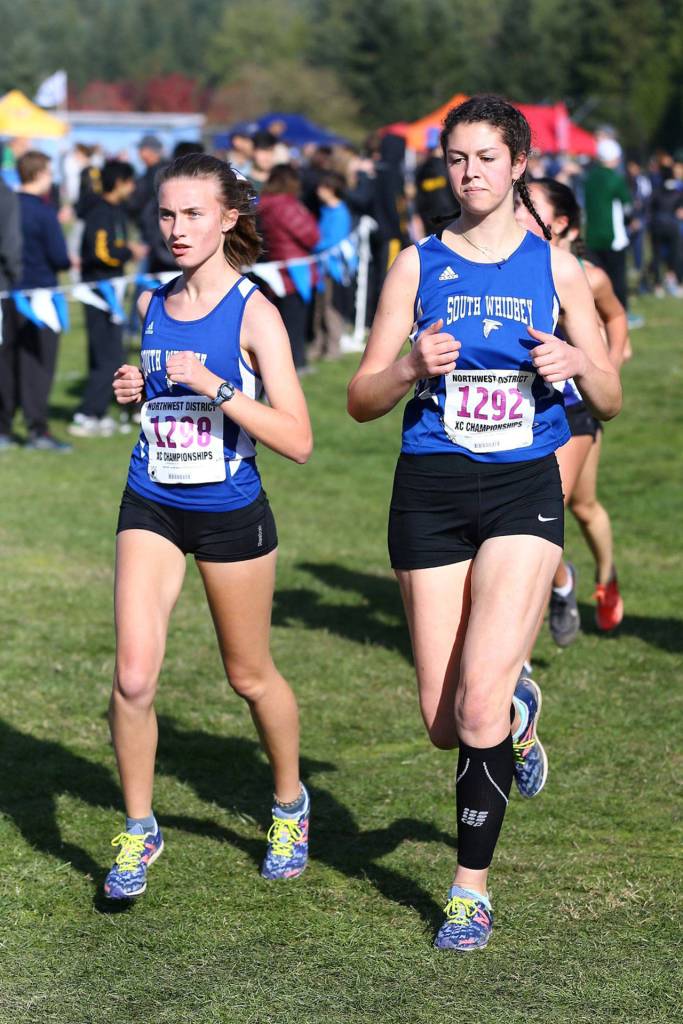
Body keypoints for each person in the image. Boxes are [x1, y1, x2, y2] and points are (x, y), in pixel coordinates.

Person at [347, 96, 621, 952]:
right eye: (456, 159)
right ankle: (519, 705)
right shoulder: (414, 265)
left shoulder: (556, 269)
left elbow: (609, 397)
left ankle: (469, 890)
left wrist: (579, 363)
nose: (468, 173)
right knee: (442, 720)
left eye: (484, 158)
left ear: (518, 165)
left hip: (521, 493)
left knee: (472, 714)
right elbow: (359, 399)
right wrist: (405, 367)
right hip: (428, 492)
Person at [104, 153, 313, 901]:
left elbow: (297, 438)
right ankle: (138, 829)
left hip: (230, 511)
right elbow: (161, 398)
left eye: (192, 213)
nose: (176, 228)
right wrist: (140, 386)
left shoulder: (255, 311)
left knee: (248, 676)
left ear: (228, 217)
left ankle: (290, 804)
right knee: (132, 676)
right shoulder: (154, 301)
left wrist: (216, 385)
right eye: (166, 214)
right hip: (152, 498)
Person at [515, 178, 627, 645]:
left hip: (576, 406)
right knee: (543, 516)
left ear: (559, 222)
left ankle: (603, 578)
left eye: (527, 205)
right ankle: (562, 582)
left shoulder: (587, 273)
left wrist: (609, 362)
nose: (515, 209)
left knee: (558, 513)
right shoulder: (508, 265)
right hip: (522, 406)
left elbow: (616, 315)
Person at [0, 151, 72, 451]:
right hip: (39, 295)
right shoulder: (43, 212)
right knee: (38, 364)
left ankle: (3, 428)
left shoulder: (8, 202)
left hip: (7, 293)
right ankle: (37, 430)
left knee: (6, 361)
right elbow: (60, 257)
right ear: (40, 173)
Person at [69, 160, 145, 438]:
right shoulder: (101, 212)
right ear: (119, 182)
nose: (133, 187)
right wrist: (128, 252)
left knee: (111, 353)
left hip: (111, 290)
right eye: (130, 181)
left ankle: (98, 412)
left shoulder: (116, 210)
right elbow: (101, 252)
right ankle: (86, 415)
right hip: (99, 291)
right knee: (108, 354)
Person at [257, 164, 320, 372]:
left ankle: (293, 363)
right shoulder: (286, 205)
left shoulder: (264, 204)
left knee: (283, 322)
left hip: (275, 268)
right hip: (293, 272)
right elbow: (311, 236)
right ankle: (295, 365)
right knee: (294, 321)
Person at [310, 171, 354, 360]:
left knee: (330, 308)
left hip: (333, 269)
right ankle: (318, 344)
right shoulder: (326, 210)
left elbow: (332, 240)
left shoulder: (340, 212)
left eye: (322, 187)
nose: (318, 191)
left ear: (331, 189)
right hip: (320, 267)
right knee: (319, 308)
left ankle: (333, 348)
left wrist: (310, 244)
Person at [0, 166, 23, 450]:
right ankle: (2, 426)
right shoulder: (5, 193)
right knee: (3, 359)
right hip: (2, 286)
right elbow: (10, 245)